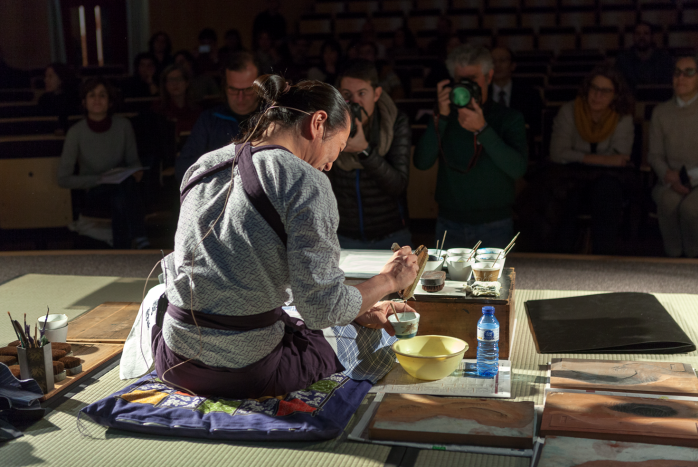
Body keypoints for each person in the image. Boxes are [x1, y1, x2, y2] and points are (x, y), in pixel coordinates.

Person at [142, 74, 419, 399]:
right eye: (337, 148)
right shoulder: (305, 181)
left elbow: (237, 273)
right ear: (318, 123)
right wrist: (389, 279)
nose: (329, 165)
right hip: (246, 370)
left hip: (174, 359)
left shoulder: (202, 165)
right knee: (377, 338)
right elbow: (323, 310)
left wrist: (358, 306)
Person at [414, 44, 528, 249]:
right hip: (449, 222)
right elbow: (422, 162)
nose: (466, 86)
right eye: (461, 80)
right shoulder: (445, 116)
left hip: (495, 223)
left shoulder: (508, 118)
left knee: (494, 282)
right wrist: (441, 118)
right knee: (448, 282)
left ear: (489, 77)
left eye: (473, 79)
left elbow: (518, 169)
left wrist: (483, 130)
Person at [549, 64, 635, 254]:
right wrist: (604, 160)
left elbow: (620, 158)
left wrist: (579, 157)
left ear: (616, 94)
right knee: (565, 195)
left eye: (605, 91)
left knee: (607, 191)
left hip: (608, 177)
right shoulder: (569, 111)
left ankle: (603, 261)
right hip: (570, 175)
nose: (598, 95)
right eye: (594, 89)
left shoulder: (623, 117)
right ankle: (560, 261)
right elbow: (557, 153)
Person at [327, 60, 412, 249]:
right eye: (347, 95)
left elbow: (398, 185)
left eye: (362, 93)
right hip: (343, 235)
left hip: (391, 234)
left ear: (377, 94)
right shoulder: (328, 124)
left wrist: (364, 150)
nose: (355, 102)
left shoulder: (395, 122)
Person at [57, 77, 149, 249]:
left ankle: (124, 245)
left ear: (110, 101)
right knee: (121, 191)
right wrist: (99, 179)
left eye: (102, 95)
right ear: (84, 102)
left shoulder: (123, 126)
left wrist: (136, 171)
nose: (97, 99)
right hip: (95, 191)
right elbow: (63, 179)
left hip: (122, 187)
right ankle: (139, 237)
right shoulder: (76, 132)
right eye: (92, 95)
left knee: (121, 190)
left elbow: (133, 161)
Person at [176, 52, 260, 182]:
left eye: (248, 90)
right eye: (233, 90)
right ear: (224, 88)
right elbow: (184, 167)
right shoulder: (209, 119)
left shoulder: (275, 118)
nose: (240, 97)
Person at [649, 55, 698, 258]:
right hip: (670, 180)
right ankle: (673, 260)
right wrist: (668, 176)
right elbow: (654, 154)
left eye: (689, 72)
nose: (681, 77)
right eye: (677, 72)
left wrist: (690, 178)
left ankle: (693, 260)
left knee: (690, 209)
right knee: (668, 203)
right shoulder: (661, 112)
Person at [489, 47, 543, 139]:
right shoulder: (478, 93)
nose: (497, 65)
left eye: (502, 60)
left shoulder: (529, 93)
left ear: (513, 65)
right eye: (493, 61)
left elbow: (536, 126)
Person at [616, 21, 673, 89]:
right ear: (633, 37)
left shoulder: (664, 59)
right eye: (638, 34)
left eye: (646, 33)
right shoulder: (623, 60)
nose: (641, 37)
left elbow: (667, 85)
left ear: (652, 36)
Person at [153, 64, 202, 135]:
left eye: (179, 79)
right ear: (165, 85)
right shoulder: (158, 109)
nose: (175, 83)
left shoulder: (197, 109)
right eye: (170, 80)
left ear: (187, 82)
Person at [37, 62, 80, 131]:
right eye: (45, 76)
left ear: (61, 79)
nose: (45, 80)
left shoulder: (73, 99)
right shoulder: (44, 99)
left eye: (50, 76)